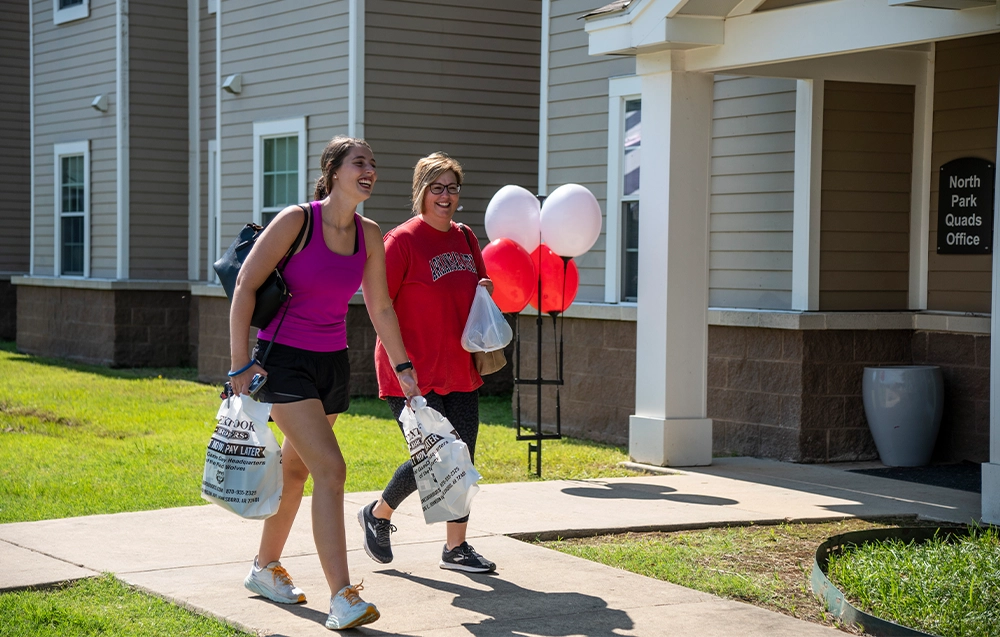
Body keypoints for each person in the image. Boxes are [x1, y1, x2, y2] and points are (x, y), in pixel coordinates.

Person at [227, 136, 419, 630]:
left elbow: (379, 307)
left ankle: (264, 568)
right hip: (281, 361)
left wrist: (404, 370)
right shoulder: (297, 220)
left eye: (374, 164)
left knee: (298, 472)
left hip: (331, 363)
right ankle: (343, 597)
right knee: (331, 470)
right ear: (333, 170)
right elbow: (245, 285)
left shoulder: (369, 233)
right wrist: (238, 365)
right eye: (360, 163)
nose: (370, 170)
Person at [359, 152, 497, 573]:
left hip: (459, 367)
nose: (445, 196)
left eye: (452, 188)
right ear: (421, 192)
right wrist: (403, 369)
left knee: (463, 460)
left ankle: (456, 548)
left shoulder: (466, 237)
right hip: (411, 371)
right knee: (435, 458)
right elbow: (378, 305)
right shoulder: (400, 242)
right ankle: (379, 513)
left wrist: (486, 289)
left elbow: (476, 287)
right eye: (436, 187)